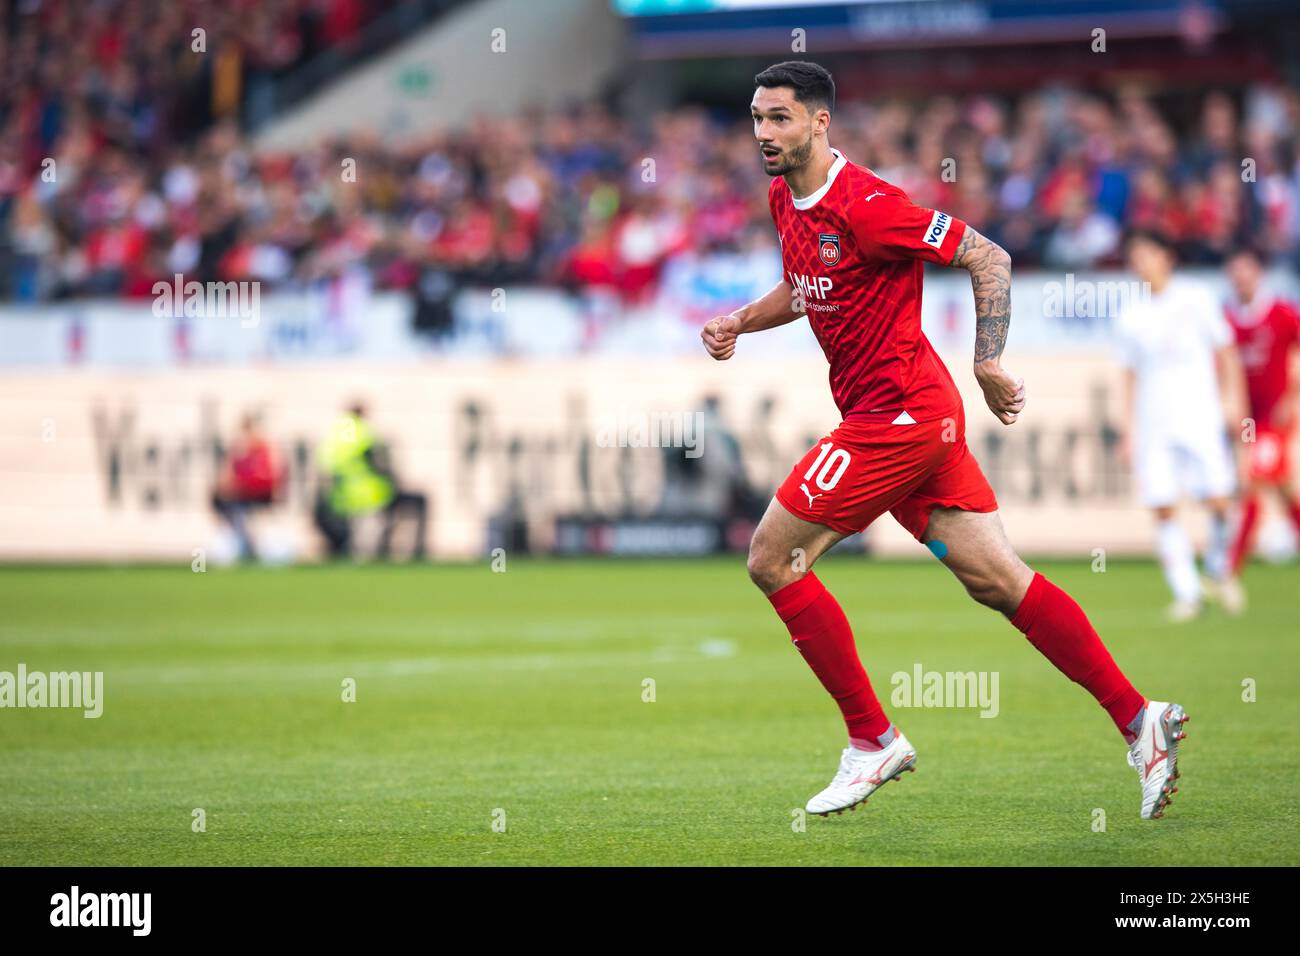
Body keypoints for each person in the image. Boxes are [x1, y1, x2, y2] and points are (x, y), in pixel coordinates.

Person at [700, 61, 1186, 821]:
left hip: (896, 419)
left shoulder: (870, 205)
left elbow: (987, 255)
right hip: (911, 417)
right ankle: (1139, 717)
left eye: (780, 119)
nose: (764, 133)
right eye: (758, 118)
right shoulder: (783, 196)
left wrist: (988, 360)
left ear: (820, 123)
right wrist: (740, 320)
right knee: (999, 580)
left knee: (772, 557)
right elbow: (806, 285)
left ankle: (872, 740)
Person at [1115, 229, 1246, 618]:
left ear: (1167, 256)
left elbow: (1227, 353)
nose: (1140, 263)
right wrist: (1128, 431)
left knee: (1220, 502)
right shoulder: (1130, 315)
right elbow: (1127, 376)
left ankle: (1219, 568)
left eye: (1147, 254)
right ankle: (1188, 594)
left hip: (1199, 416)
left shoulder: (1197, 298)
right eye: (1134, 257)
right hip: (1154, 424)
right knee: (1163, 507)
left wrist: (1234, 401)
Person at [1223, 245, 1300, 583]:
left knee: (1252, 482)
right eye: (1235, 272)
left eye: (1247, 271)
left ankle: (1229, 571)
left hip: (1276, 416)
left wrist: (1294, 397)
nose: (1241, 278)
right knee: (1281, 488)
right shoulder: (1228, 320)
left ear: (1259, 274)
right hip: (1249, 420)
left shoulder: (1281, 313)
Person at [314, 402, 429, 560]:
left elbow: (327, 465)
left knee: (354, 541)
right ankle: (413, 553)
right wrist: (393, 479)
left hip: (342, 496)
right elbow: (377, 461)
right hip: (370, 494)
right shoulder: (363, 431)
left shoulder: (334, 434)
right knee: (369, 543)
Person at [211, 413, 283, 561]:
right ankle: (242, 543)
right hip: (242, 495)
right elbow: (228, 474)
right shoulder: (238, 451)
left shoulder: (262, 449)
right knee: (221, 499)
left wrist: (240, 485)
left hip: (258, 494)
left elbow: (267, 478)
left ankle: (247, 545)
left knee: (238, 508)